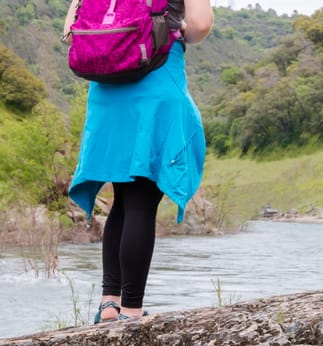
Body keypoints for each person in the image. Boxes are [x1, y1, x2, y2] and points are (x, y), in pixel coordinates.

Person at [63, 0, 213, 322]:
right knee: (143, 200)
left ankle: (109, 303)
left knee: (123, 196)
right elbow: (199, 24)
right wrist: (175, 27)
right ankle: (131, 311)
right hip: (156, 77)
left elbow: (70, 28)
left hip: (108, 85)